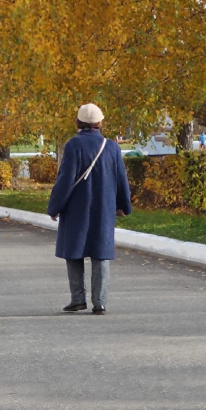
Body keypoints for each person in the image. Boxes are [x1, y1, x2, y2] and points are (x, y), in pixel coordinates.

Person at [47, 104, 132, 315]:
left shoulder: (73, 146)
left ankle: (77, 299)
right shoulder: (112, 147)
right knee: (100, 253)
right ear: (100, 123)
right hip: (103, 207)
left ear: (78, 123)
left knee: (73, 252)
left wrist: (55, 207)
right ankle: (100, 302)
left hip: (76, 208)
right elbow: (122, 180)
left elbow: (65, 180)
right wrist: (124, 206)